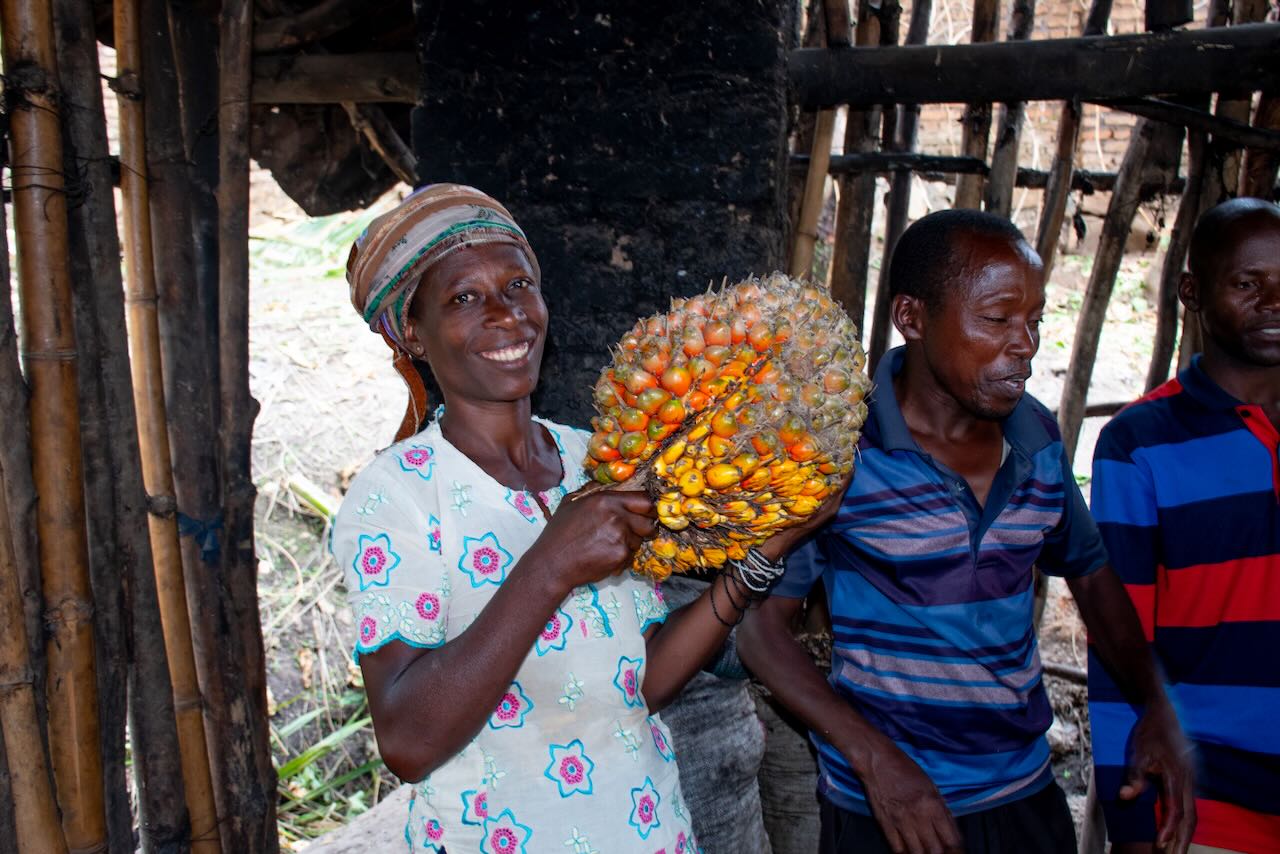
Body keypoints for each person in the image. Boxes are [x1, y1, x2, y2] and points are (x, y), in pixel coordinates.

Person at [332, 184, 834, 852]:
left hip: (650, 833)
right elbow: (408, 742)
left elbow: (639, 686)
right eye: (464, 297)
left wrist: (764, 554)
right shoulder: (393, 497)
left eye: (518, 285)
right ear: (414, 335)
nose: (507, 315)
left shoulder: (594, 457)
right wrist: (550, 564)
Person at [737, 209, 1196, 854]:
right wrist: (875, 761)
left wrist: (1154, 703)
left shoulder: (1037, 441)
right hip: (887, 810)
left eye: (1035, 320)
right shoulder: (840, 452)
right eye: (998, 319)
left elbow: (1090, 573)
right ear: (912, 318)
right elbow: (760, 630)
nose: (1026, 344)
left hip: (1023, 794)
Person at [1088, 197, 1280, 854]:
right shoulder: (1141, 443)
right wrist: (1132, 824)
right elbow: (1118, 639)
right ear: (1193, 292)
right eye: (1247, 284)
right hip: (1209, 804)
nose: (1273, 302)